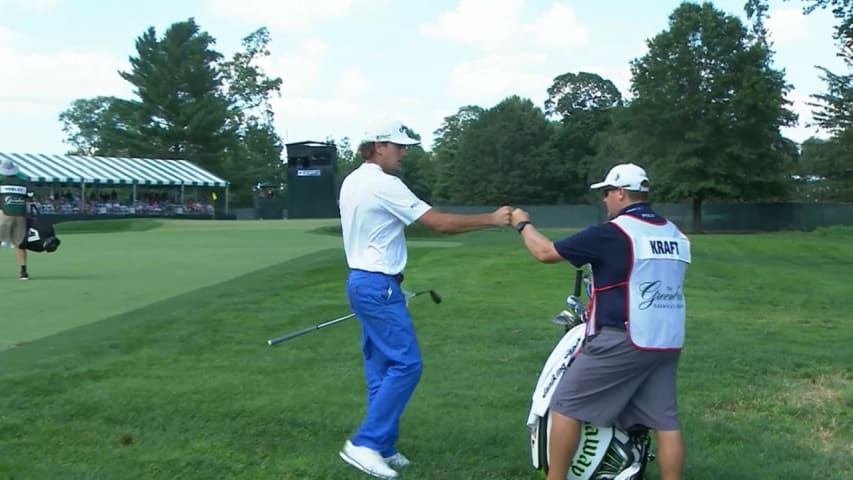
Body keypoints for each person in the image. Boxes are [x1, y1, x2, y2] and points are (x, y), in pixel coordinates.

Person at [337, 119, 512, 479]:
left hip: (361, 281)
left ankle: (381, 445)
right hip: (378, 284)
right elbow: (440, 223)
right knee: (406, 365)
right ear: (378, 145)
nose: (403, 153)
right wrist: (493, 219)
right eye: (399, 146)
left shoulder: (352, 180)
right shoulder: (384, 184)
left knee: (381, 368)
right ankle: (365, 443)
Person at [510, 163, 691, 480]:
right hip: (667, 339)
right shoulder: (674, 232)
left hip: (623, 337)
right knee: (665, 421)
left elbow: (545, 252)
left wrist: (522, 224)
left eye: (607, 193)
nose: (605, 200)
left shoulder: (614, 232)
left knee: (566, 405)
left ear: (621, 193)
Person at [0, 159, 31, 279]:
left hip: (4, 214)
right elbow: (30, 195)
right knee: (19, 244)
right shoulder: (23, 181)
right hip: (20, 215)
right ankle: (23, 271)